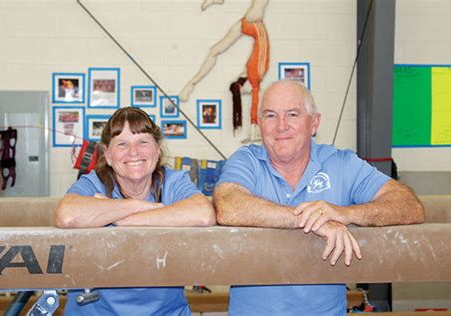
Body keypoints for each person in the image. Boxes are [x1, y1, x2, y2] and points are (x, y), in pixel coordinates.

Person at [213, 80, 425, 315]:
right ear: (260, 124)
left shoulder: (341, 163)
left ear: (314, 123)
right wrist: (312, 220)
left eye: (292, 114)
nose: (281, 126)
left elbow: (409, 206)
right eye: (270, 116)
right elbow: (227, 205)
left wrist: (344, 213)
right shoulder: (247, 160)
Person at [55, 107, 215, 315]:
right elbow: (67, 215)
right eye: (122, 144)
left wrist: (120, 219)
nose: (133, 152)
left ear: (158, 150)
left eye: (143, 142)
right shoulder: (95, 183)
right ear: (108, 155)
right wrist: (137, 205)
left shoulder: (173, 182)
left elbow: (204, 214)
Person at [180, 0, 269, 141]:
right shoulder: (255, 76)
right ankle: (191, 84)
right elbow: (255, 98)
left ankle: (191, 84)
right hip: (252, 28)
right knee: (215, 51)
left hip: (248, 26)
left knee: (215, 51)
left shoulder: (253, 76)